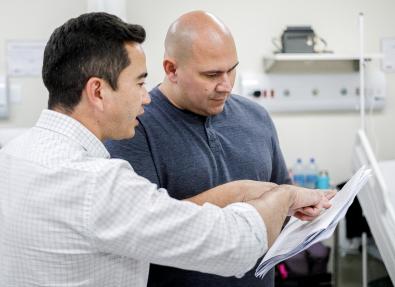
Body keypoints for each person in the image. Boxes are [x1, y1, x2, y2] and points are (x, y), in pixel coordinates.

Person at [0, 12, 335, 287]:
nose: (146, 97)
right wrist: (280, 197)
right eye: (140, 83)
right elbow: (235, 245)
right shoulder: (97, 183)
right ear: (98, 92)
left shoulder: (13, 156)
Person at [105, 10, 295, 287]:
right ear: (172, 70)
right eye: (212, 74)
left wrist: (310, 212)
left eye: (231, 69)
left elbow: (284, 200)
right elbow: (143, 229)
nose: (226, 85)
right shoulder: (134, 128)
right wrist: (236, 194)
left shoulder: (257, 118)